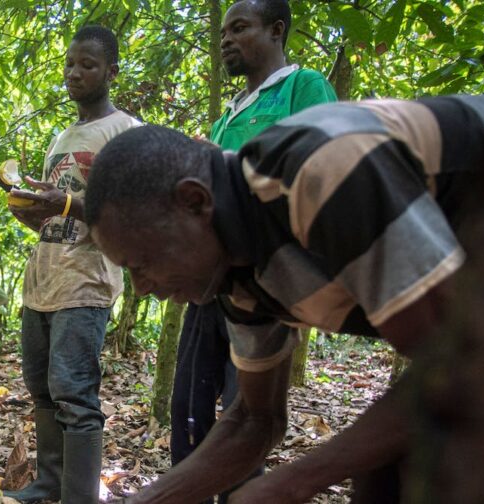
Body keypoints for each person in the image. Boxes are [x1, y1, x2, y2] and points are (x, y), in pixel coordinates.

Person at [84, 95, 484, 503]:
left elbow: (464, 362)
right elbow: (255, 420)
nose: (141, 287)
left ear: (195, 202)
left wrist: (290, 484)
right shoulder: (239, 276)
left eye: (142, 263)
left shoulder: (322, 170)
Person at [170, 3, 336, 502]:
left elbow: (319, 166)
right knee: (190, 409)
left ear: (276, 30)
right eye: (223, 31)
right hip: (213, 285)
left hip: (268, 286)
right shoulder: (230, 113)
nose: (226, 40)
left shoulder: (301, 86)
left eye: (239, 28)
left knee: (244, 412)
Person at [3, 25, 141, 504]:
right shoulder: (63, 136)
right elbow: (57, 218)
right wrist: (32, 211)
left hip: (88, 280)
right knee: (41, 388)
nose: (74, 73)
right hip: (45, 276)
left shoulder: (125, 132)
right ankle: (49, 483)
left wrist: (65, 204)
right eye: (70, 64)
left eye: (88, 64)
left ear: (111, 72)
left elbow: (132, 212)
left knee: (74, 393)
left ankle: (80, 496)